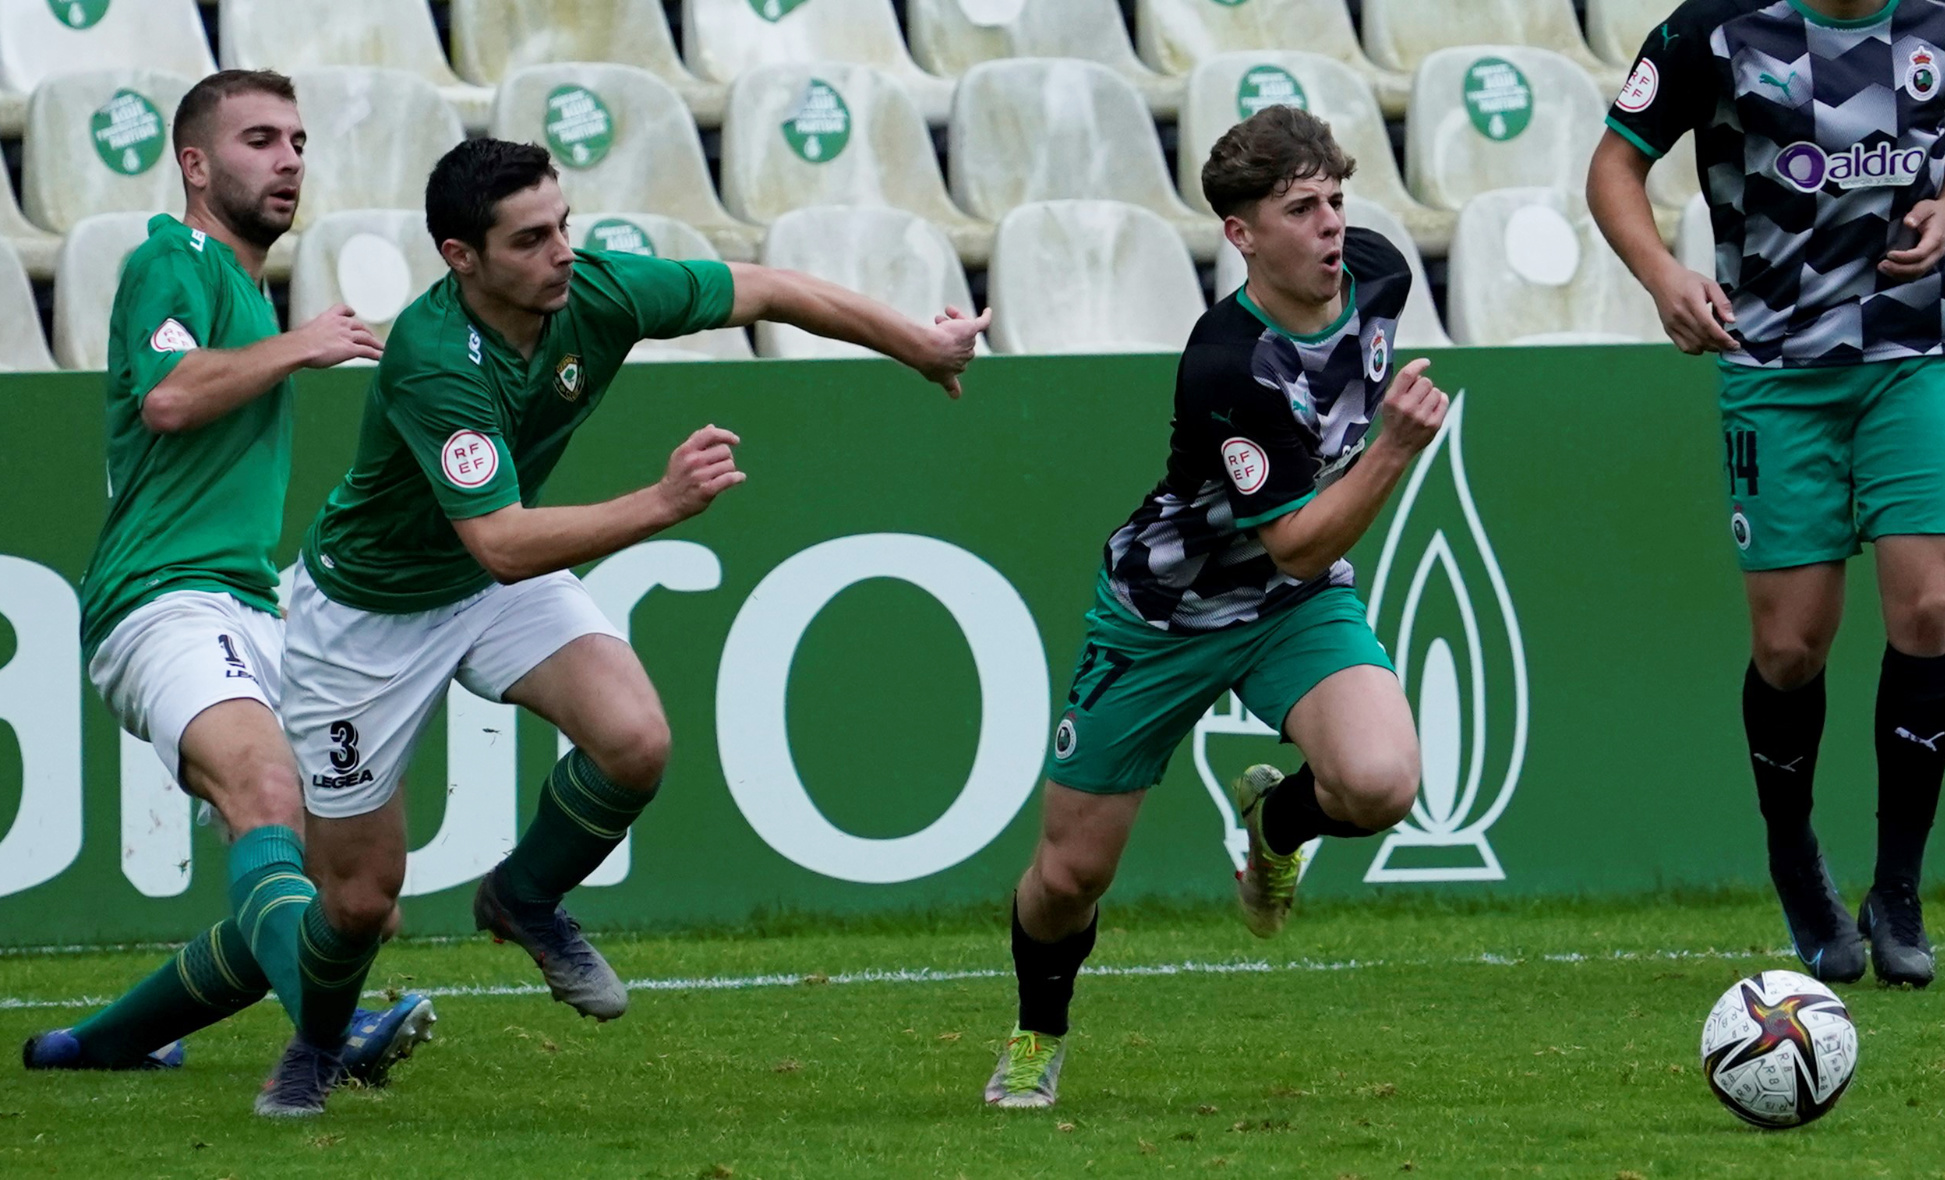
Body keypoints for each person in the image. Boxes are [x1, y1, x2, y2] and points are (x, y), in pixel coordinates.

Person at [262, 137, 988, 1115]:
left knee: (634, 741)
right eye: (530, 239)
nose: (561, 251)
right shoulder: (434, 361)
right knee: (359, 898)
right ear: (460, 256)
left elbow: (762, 286)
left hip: (485, 583)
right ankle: (312, 1050)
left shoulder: (594, 291)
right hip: (369, 614)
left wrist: (920, 345)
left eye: (563, 224)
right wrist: (663, 501)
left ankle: (522, 898)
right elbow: (507, 542)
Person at [984, 105, 1448, 1110]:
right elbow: (1296, 535)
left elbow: (1295, 565)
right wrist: (1394, 451)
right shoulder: (1227, 364)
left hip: (1291, 606)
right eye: (1299, 208)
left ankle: (1272, 825)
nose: (1330, 225)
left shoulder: (1378, 272)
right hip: (1162, 615)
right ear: (1240, 234)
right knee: (1069, 877)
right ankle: (1035, 1033)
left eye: (1334, 199)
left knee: (1378, 782)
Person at [21, 70, 434, 1100]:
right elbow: (167, 397)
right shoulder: (176, 258)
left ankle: (105, 1041)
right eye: (260, 139)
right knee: (265, 796)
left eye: (298, 139)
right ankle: (333, 1041)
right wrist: (306, 344)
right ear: (196, 165)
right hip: (160, 596)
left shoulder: (247, 290)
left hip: (253, 605)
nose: (290, 158)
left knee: (354, 898)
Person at [1589, 0, 1945, 987]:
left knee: (1927, 606)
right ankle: (1792, 859)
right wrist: (1659, 276)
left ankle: (1896, 889)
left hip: (1910, 351)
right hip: (1772, 366)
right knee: (1787, 645)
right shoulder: (1713, 30)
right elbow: (1613, 164)